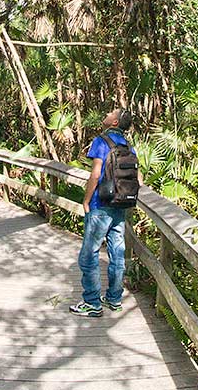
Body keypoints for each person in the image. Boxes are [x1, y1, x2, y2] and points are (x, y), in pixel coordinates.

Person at [70, 107, 138, 318]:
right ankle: (114, 300)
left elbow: (95, 174)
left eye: (110, 113)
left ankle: (92, 302)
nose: (106, 114)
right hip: (121, 205)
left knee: (88, 255)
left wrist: (87, 200)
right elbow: (138, 179)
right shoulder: (128, 146)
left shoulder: (101, 142)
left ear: (114, 123)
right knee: (117, 254)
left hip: (101, 205)